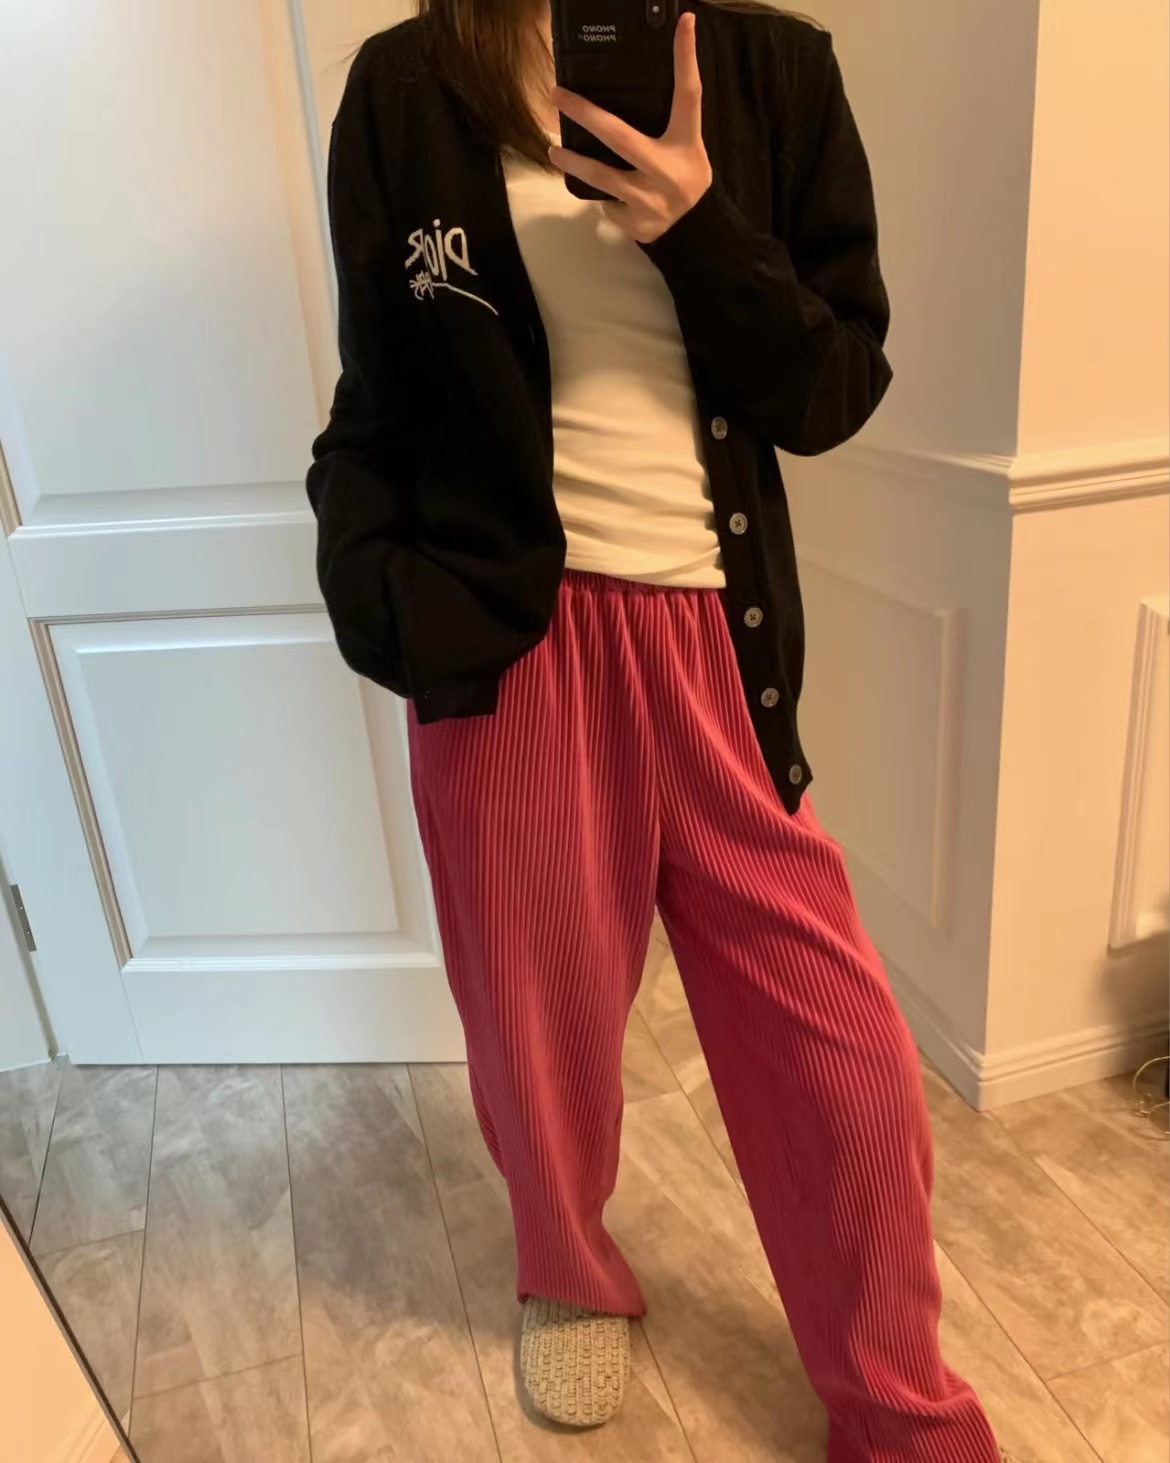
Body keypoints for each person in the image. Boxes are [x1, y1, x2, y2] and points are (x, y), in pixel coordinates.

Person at [307, 3, 1021, 1459]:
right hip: (509, 642)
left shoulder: (773, 68)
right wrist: (381, 595)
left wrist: (700, 233)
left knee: (838, 1055)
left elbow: (832, 387)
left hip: (715, 640)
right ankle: (568, 1273)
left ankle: (897, 1405)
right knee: (537, 1024)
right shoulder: (408, 82)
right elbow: (378, 390)